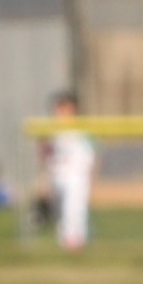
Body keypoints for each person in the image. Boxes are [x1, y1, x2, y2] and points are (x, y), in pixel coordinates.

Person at [42, 93, 96, 254]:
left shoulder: (81, 128)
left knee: (74, 208)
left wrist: (89, 171)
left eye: (65, 108)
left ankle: (75, 241)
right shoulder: (51, 128)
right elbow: (47, 152)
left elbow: (90, 153)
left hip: (76, 175)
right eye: (59, 108)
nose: (61, 112)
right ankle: (65, 241)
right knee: (59, 209)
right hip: (57, 174)